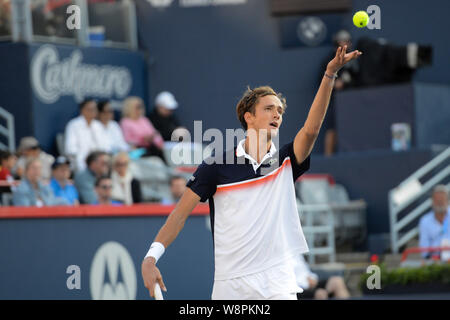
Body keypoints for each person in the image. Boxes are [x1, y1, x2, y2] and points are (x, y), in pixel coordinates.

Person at [141, 45, 361, 300]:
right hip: (230, 286)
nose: (277, 113)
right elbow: (179, 215)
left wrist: (330, 75)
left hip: (277, 281)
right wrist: (151, 257)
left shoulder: (286, 161)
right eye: (269, 108)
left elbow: (311, 130)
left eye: (280, 110)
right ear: (249, 117)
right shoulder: (216, 167)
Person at [320, 30, 359, 156]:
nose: (345, 44)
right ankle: (329, 157)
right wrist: (335, 83)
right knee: (332, 129)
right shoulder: (329, 61)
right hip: (335, 100)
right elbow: (322, 82)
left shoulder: (354, 59)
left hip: (353, 100)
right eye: (342, 41)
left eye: (347, 41)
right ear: (336, 43)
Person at [64, 99, 109, 172]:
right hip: (81, 160)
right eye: (90, 109)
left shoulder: (98, 126)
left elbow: (106, 146)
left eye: (94, 109)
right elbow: (70, 149)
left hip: (99, 160)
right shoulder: (73, 125)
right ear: (82, 110)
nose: (92, 112)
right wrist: (85, 157)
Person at [120, 96, 167, 163]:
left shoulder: (144, 120)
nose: (140, 109)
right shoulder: (125, 122)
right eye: (137, 107)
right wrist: (142, 139)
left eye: (141, 107)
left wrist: (159, 143)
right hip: (137, 151)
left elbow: (155, 134)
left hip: (151, 148)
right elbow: (127, 140)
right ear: (130, 108)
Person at [419, 185, 450, 259]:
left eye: (442, 200)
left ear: (448, 201)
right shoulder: (425, 221)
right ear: (432, 202)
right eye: (437, 200)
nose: (440, 202)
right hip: (434, 261)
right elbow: (424, 248)